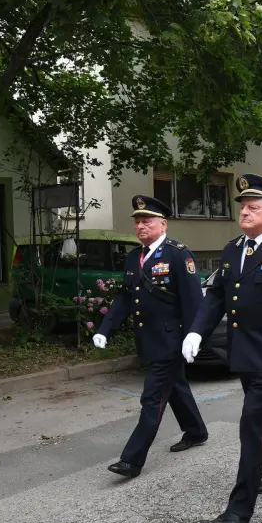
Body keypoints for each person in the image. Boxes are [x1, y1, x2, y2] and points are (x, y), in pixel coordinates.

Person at [182, 175, 262, 523]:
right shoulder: (234, 247)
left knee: (253, 425)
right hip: (242, 350)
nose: (245, 213)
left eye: (253, 207)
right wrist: (195, 330)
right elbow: (218, 295)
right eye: (243, 207)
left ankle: (239, 509)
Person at [93, 196, 207, 478]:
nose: (141, 226)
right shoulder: (134, 257)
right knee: (176, 387)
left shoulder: (178, 254)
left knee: (152, 398)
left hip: (171, 341)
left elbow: (193, 301)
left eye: (148, 220)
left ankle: (132, 460)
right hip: (149, 340)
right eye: (138, 221)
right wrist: (104, 329)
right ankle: (196, 431)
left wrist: (194, 335)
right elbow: (124, 298)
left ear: (163, 224)